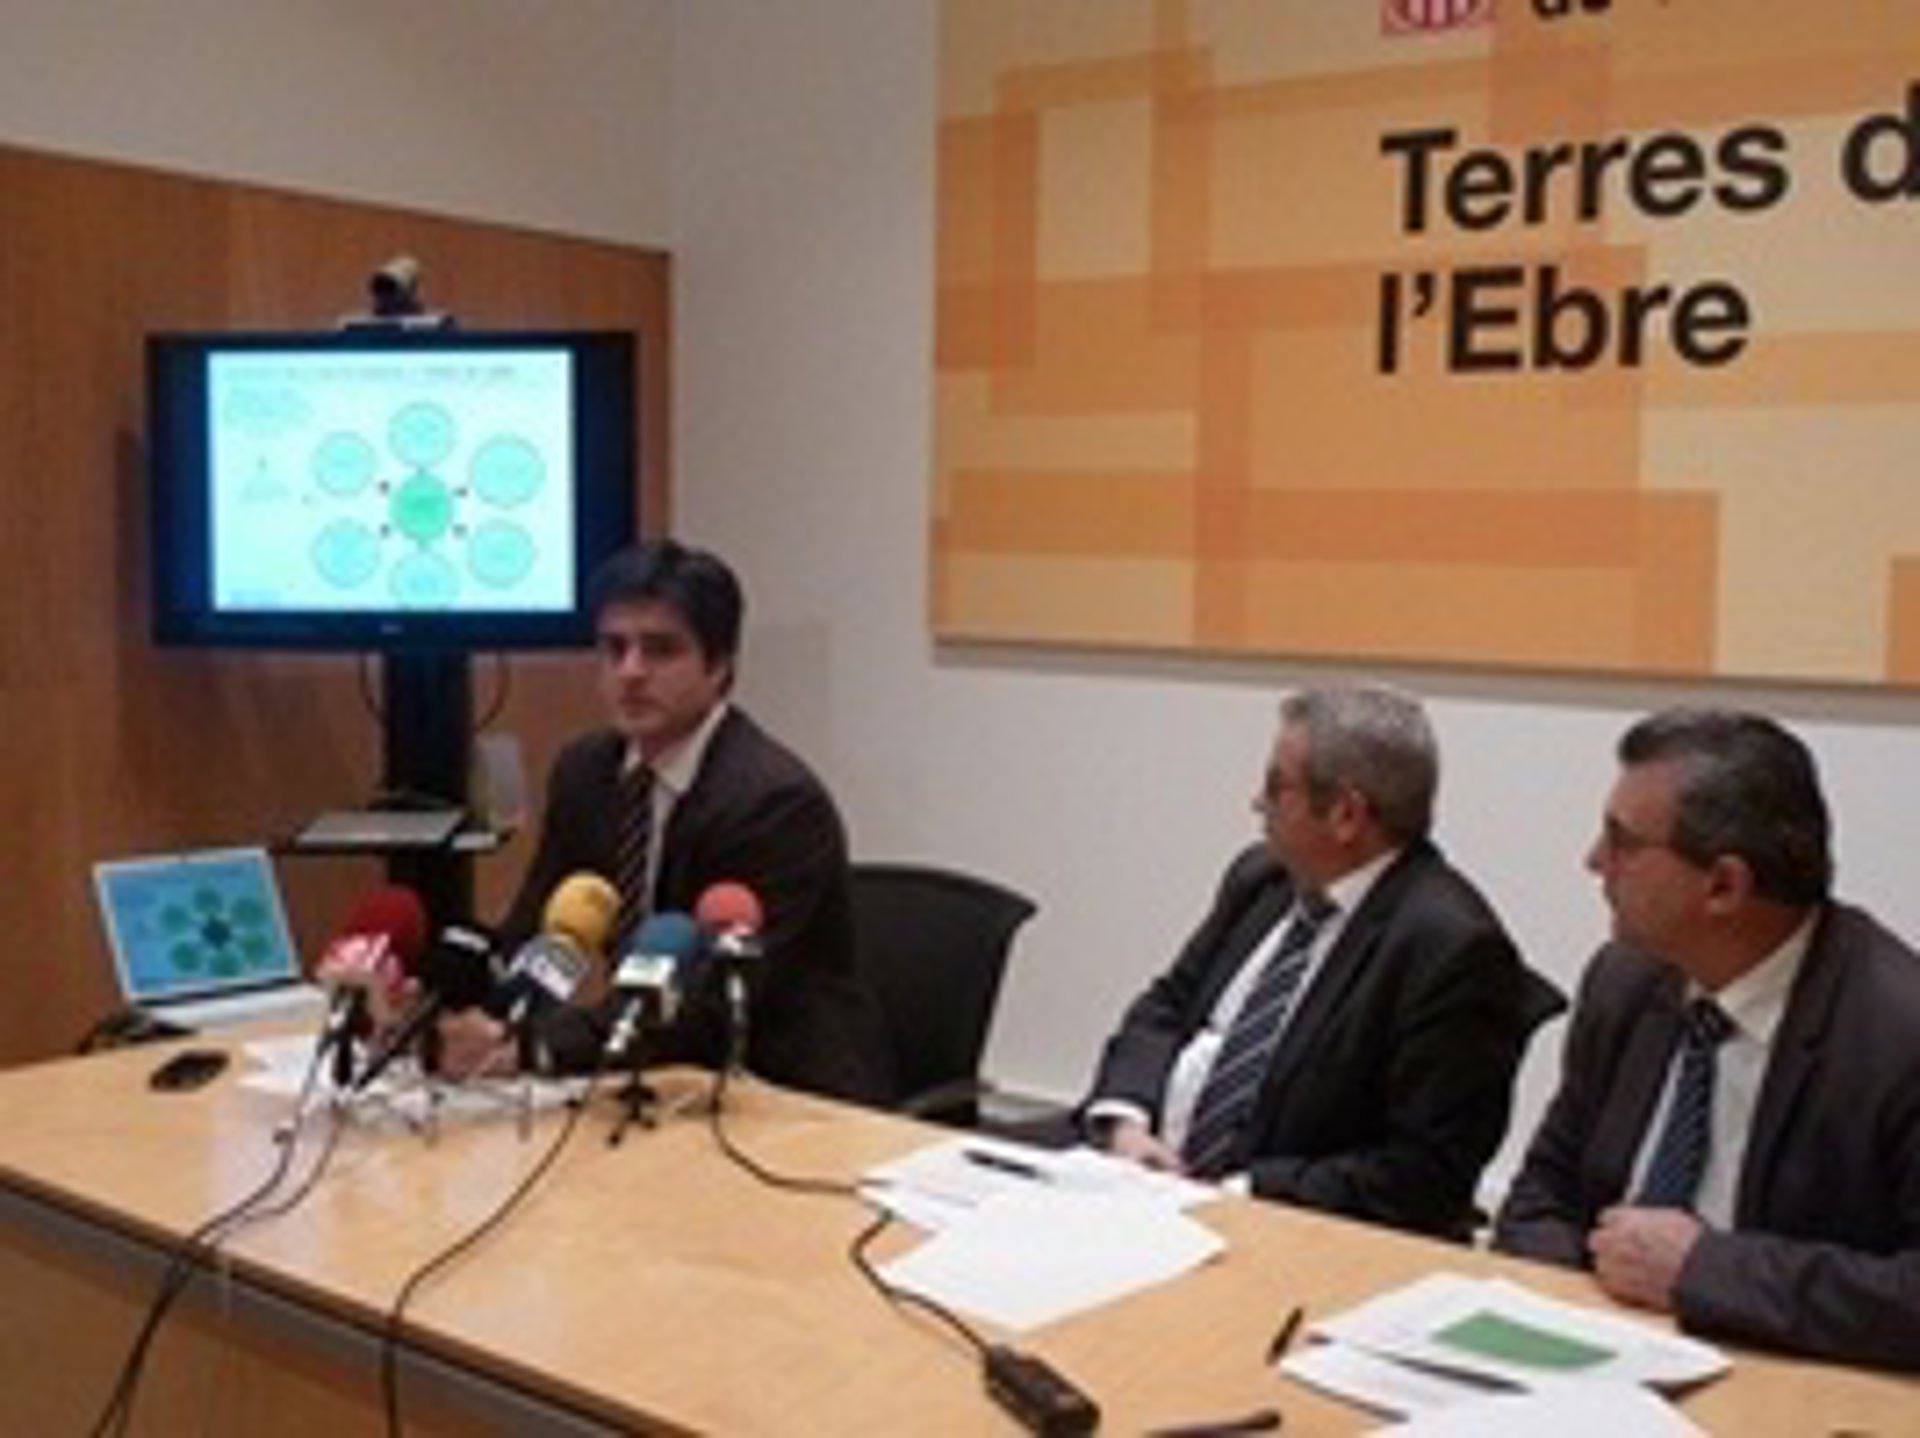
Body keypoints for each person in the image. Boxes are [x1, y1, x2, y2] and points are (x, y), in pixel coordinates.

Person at [1495, 708, 1920, 1371]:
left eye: (1622, 842)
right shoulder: (1626, 980)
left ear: (1724, 886)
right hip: (1600, 1362)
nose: (1594, 861)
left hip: (1791, 1378)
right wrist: (1582, 1312)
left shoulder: (1897, 1033)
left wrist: (1706, 1271)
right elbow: (1540, 1197)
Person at [1082, 684, 1555, 1239]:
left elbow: (1425, 1172)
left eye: (1275, 786)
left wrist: (1240, 1192)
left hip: (1284, 1230)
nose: (1256, 803)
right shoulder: (1263, 879)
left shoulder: (1451, 948)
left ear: (1346, 815)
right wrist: (1126, 1124)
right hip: (1139, 1189)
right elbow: (1168, 1005)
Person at [444, 539, 891, 1103]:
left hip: (779, 1091)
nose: (630, 672)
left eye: (659, 650)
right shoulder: (587, 772)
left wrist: (538, 1048)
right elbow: (539, 934)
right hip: (649, 1076)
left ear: (719, 666)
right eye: (614, 649)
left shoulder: (773, 804)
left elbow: (701, 1008)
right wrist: (471, 1014)